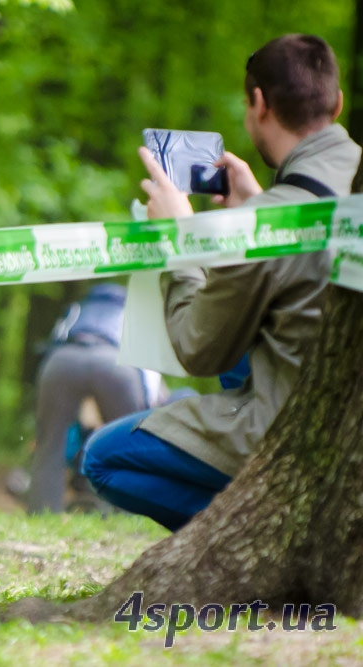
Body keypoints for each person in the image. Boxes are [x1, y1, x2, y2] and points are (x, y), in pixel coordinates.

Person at [80, 34, 362, 532]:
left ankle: (267, 532)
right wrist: (254, 207)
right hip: (348, 421)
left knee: (102, 457)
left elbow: (198, 348)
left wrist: (180, 239)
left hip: (297, 432)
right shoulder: (341, 185)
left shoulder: (263, 227)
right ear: (337, 105)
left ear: (258, 103)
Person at [14, 282, 169, 514]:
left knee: (51, 442)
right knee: (127, 443)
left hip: (63, 361)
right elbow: (148, 369)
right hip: (115, 364)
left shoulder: (76, 309)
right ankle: (127, 512)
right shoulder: (131, 314)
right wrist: (145, 409)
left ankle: (42, 510)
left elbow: (52, 345)